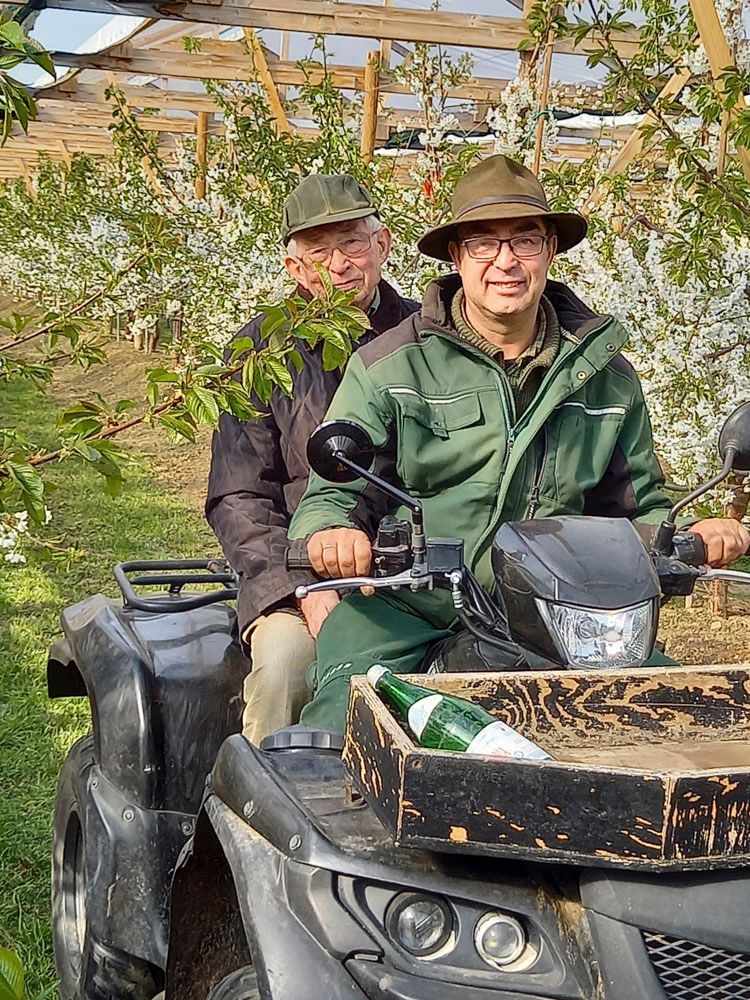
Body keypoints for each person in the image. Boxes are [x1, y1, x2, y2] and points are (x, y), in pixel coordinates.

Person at [288, 153, 749, 731]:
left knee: (684, 723)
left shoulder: (605, 376)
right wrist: (333, 536)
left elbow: (633, 512)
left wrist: (688, 537)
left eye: (524, 241)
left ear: (550, 252)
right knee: (340, 736)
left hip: (563, 621)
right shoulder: (388, 368)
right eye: (483, 243)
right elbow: (333, 493)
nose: (505, 262)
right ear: (457, 256)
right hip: (405, 614)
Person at [206, 173, 419, 744]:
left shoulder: (431, 336)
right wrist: (299, 585)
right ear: (294, 268)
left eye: (352, 242)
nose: (340, 263)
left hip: (420, 576)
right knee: (285, 670)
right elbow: (239, 496)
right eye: (319, 252)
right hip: (303, 580)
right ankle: (257, 822)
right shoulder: (259, 353)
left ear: (384, 244)